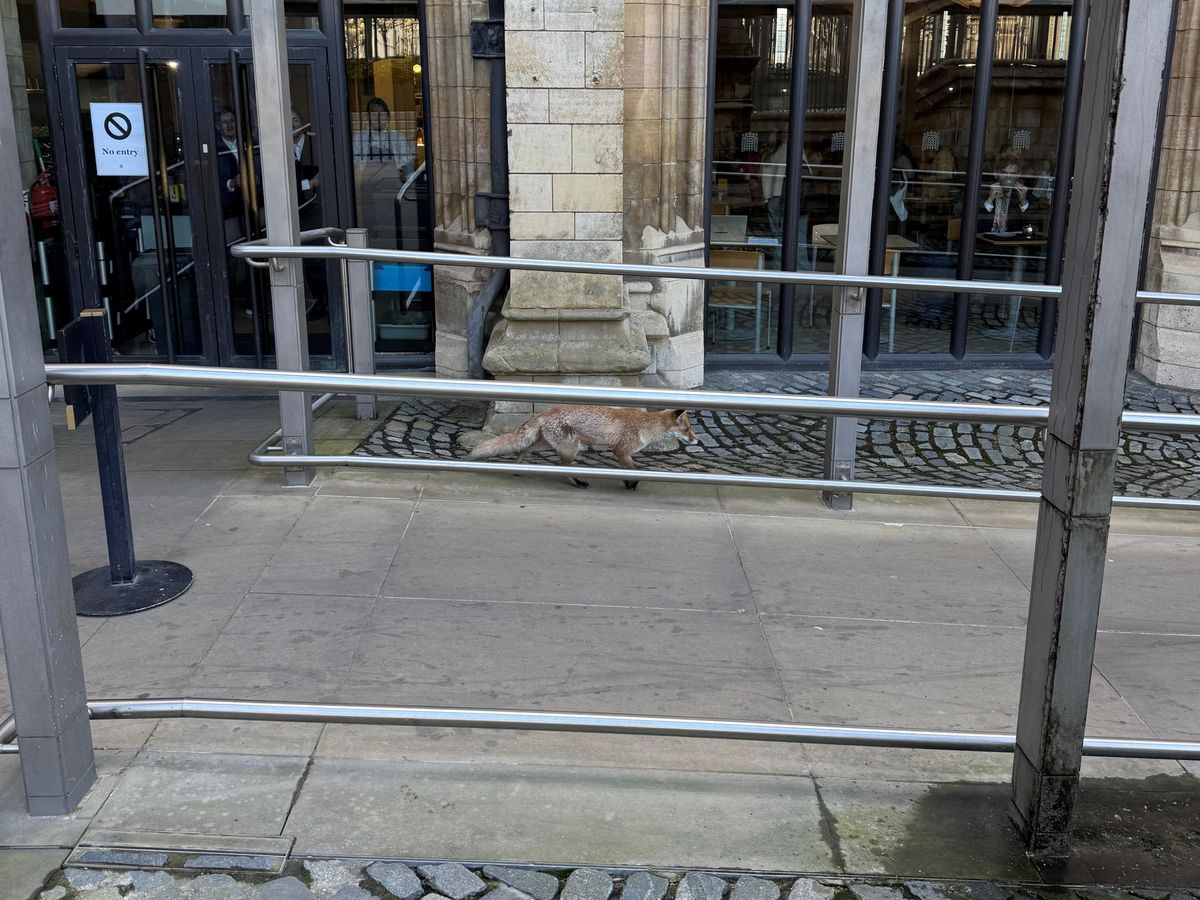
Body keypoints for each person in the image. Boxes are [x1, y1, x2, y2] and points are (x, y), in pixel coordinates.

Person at [983, 154, 1031, 233]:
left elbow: (1028, 225)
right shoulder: (984, 189)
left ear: (1018, 176)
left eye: (1012, 174)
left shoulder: (1021, 192)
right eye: (1004, 173)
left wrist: (1023, 201)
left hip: (1011, 240)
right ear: (996, 173)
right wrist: (990, 199)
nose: (1008, 177)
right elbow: (976, 222)